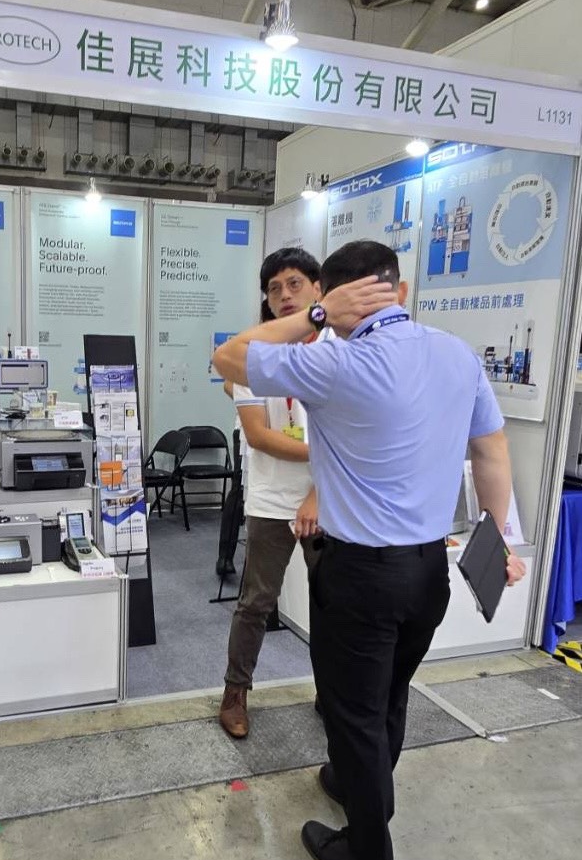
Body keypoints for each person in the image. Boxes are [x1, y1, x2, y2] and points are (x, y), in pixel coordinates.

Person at [212, 240, 526, 860]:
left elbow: (227, 357)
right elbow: (491, 451)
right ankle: (359, 788)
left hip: (360, 577)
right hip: (428, 573)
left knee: (353, 715)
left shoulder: (335, 362)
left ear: (333, 297)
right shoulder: (457, 354)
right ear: (400, 291)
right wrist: (502, 541)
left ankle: (366, 845)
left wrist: (319, 316)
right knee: (390, 695)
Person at [219, 247, 330, 740]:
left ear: (318, 289)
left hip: (328, 500)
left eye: (295, 284)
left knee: (332, 603)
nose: (284, 295)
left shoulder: (339, 352)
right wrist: (329, 451)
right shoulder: (255, 356)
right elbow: (260, 436)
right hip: (270, 499)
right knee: (256, 602)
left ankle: (332, 692)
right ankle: (235, 692)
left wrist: (324, 477)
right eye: (274, 288)